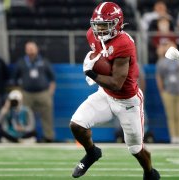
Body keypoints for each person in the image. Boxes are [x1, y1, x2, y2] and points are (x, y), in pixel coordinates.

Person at [69, 2, 161, 179]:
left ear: (117, 23)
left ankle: (149, 172)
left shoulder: (124, 43)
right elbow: (101, 60)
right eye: (97, 25)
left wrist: (92, 73)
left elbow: (117, 83)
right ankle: (92, 153)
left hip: (127, 100)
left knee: (136, 149)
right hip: (105, 94)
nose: (99, 29)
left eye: (104, 25)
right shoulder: (92, 35)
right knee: (77, 124)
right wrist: (95, 63)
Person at [13, 41, 56, 142]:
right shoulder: (21, 62)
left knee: (47, 116)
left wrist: (50, 92)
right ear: (25, 50)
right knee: (25, 116)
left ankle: (48, 137)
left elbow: (52, 78)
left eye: (32, 48)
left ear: (37, 49)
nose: (31, 50)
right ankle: (27, 136)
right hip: (27, 93)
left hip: (43, 93)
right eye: (28, 48)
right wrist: (20, 93)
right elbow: (15, 78)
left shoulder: (44, 61)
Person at [156, 41, 179, 144]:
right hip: (168, 92)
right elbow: (159, 77)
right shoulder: (162, 61)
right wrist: (162, 91)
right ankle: (173, 137)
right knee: (171, 116)